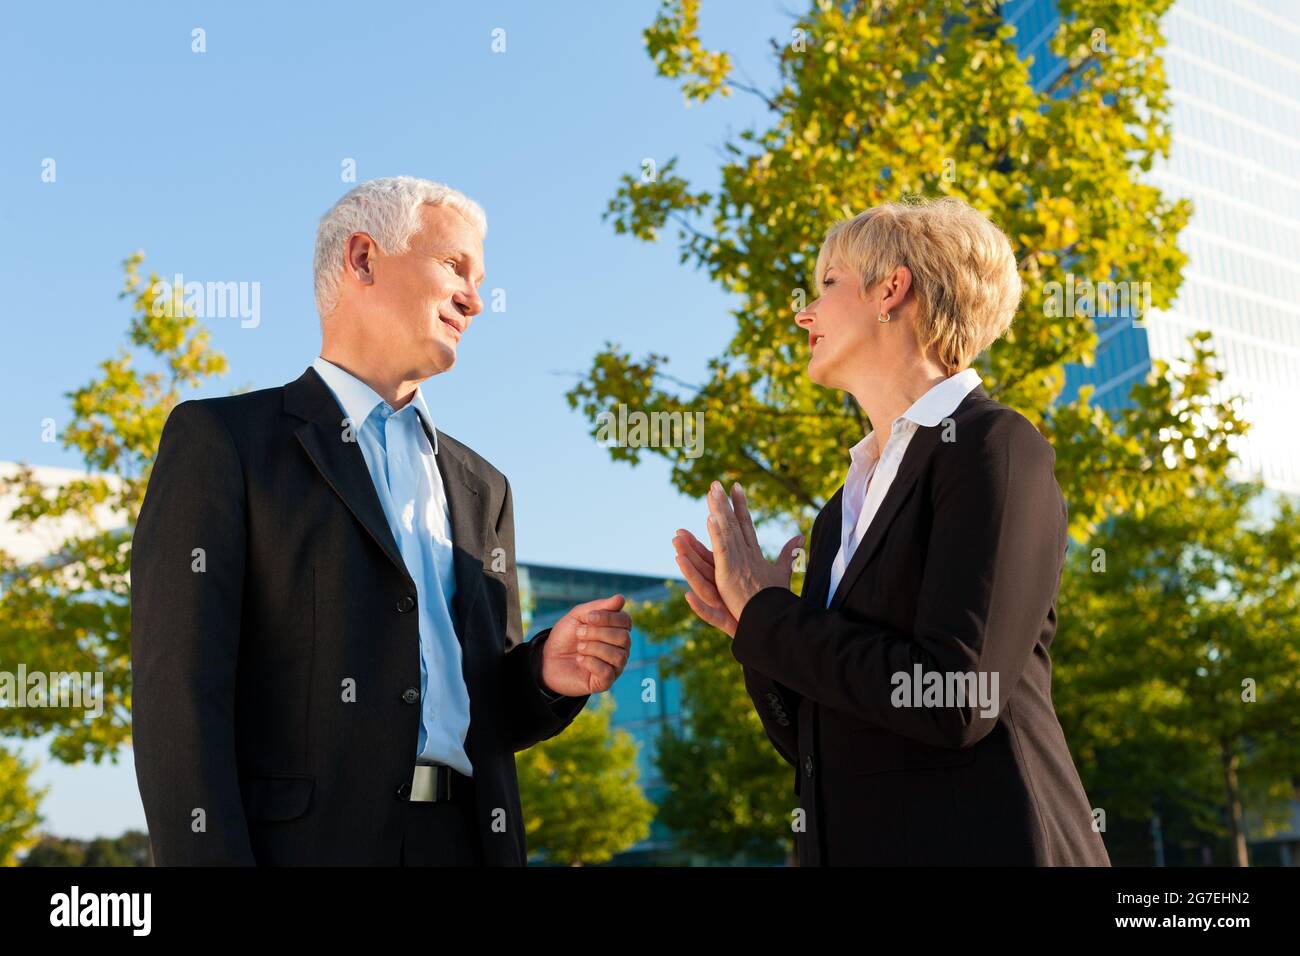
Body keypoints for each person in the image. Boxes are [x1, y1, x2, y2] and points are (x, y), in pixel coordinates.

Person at [131, 176, 632, 865]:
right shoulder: (224, 444)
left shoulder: (485, 488)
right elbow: (180, 699)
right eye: (455, 266)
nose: (476, 300)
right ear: (363, 259)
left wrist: (546, 674)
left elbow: (486, 710)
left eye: (480, 279)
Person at [672, 197, 1110, 865]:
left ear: (891, 289)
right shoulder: (836, 511)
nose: (803, 312)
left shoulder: (995, 447)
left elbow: (956, 697)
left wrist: (772, 618)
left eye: (826, 285)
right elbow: (822, 743)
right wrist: (754, 636)